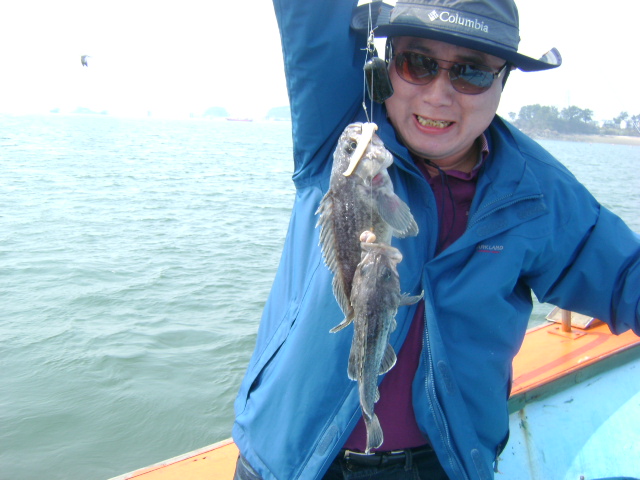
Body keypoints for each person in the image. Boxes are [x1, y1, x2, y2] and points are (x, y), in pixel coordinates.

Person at [232, 0, 640, 478]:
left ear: (503, 80)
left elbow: (625, 279)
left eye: (471, 72)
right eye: (417, 63)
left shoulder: (535, 193)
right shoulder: (341, 136)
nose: (438, 96)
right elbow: (311, 16)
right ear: (386, 65)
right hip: (287, 462)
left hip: (441, 466)